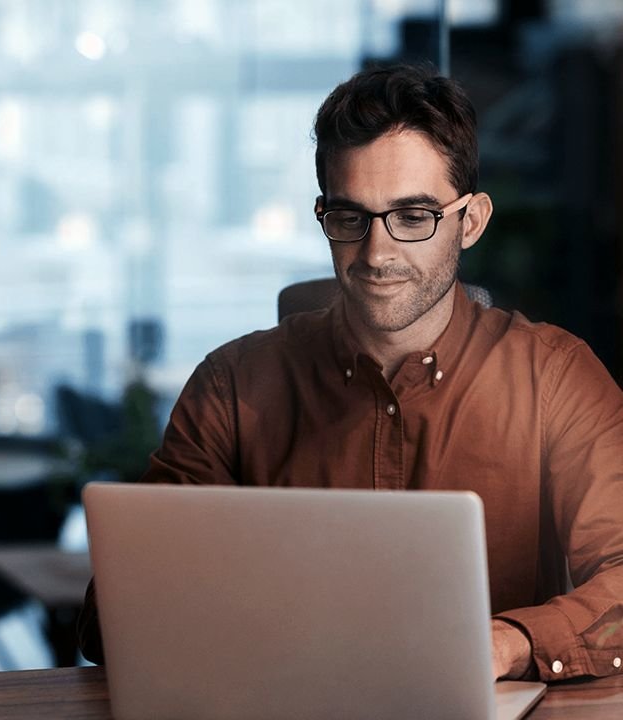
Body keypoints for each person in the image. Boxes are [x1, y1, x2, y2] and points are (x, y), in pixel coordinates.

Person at [78, 63, 623, 682]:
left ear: (469, 222)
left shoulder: (554, 379)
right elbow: (120, 611)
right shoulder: (233, 386)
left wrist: (508, 644)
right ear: (324, 217)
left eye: (413, 216)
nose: (377, 253)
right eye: (349, 219)